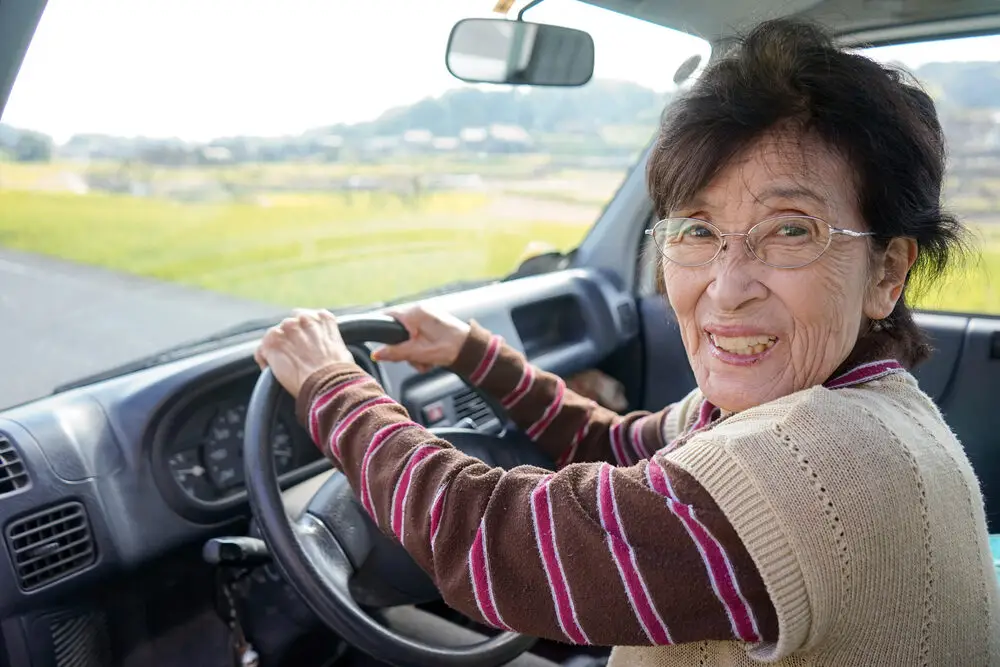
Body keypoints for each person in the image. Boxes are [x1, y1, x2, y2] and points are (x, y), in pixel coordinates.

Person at [254, 18, 1000, 666]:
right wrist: (472, 354)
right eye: (698, 231)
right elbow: (613, 445)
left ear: (887, 272)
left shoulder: (824, 461)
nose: (727, 284)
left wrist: (330, 385)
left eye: (790, 231)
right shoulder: (832, 408)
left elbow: (492, 540)